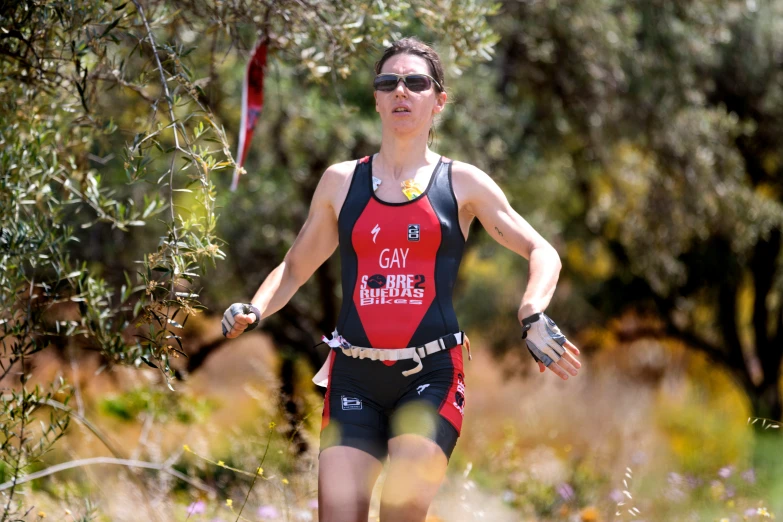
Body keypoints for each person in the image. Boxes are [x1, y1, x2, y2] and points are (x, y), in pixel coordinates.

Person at [221, 37, 582, 522]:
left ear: (439, 100)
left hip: (430, 376)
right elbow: (294, 267)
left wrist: (531, 311)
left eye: (416, 83)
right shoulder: (340, 182)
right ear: (375, 97)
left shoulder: (462, 183)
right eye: (388, 82)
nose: (401, 92)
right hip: (353, 374)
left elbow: (542, 250)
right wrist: (256, 307)